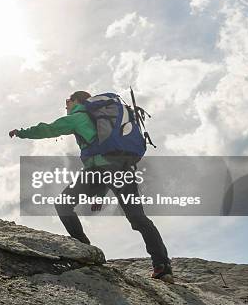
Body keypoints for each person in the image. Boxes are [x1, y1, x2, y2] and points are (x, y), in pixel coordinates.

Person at [9, 90, 173, 283]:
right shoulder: (98, 118)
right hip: (122, 168)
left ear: (78, 101)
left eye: (68, 100)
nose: (66, 104)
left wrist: (21, 133)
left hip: (99, 170)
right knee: (138, 218)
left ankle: (83, 249)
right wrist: (98, 195)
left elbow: (50, 129)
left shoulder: (78, 117)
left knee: (63, 203)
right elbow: (103, 155)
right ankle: (162, 266)